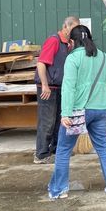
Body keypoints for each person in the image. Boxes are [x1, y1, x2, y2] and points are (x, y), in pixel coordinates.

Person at [48, 25, 106, 199]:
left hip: (78, 111)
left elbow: (68, 87)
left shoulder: (73, 58)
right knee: (103, 147)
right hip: (101, 109)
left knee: (64, 150)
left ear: (72, 42)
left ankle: (59, 190)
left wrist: (65, 113)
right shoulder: (104, 56)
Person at [33, 16, 80, 164]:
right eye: (74, 28)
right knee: (47, 122)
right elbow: (41, 64)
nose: (75, 32)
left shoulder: (69, 45)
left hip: (61, 87)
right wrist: (45, 85)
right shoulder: (53, 40)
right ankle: (41, 154)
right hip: (49, 88)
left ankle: (55, 150)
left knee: (59, 121)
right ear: (66, 27)